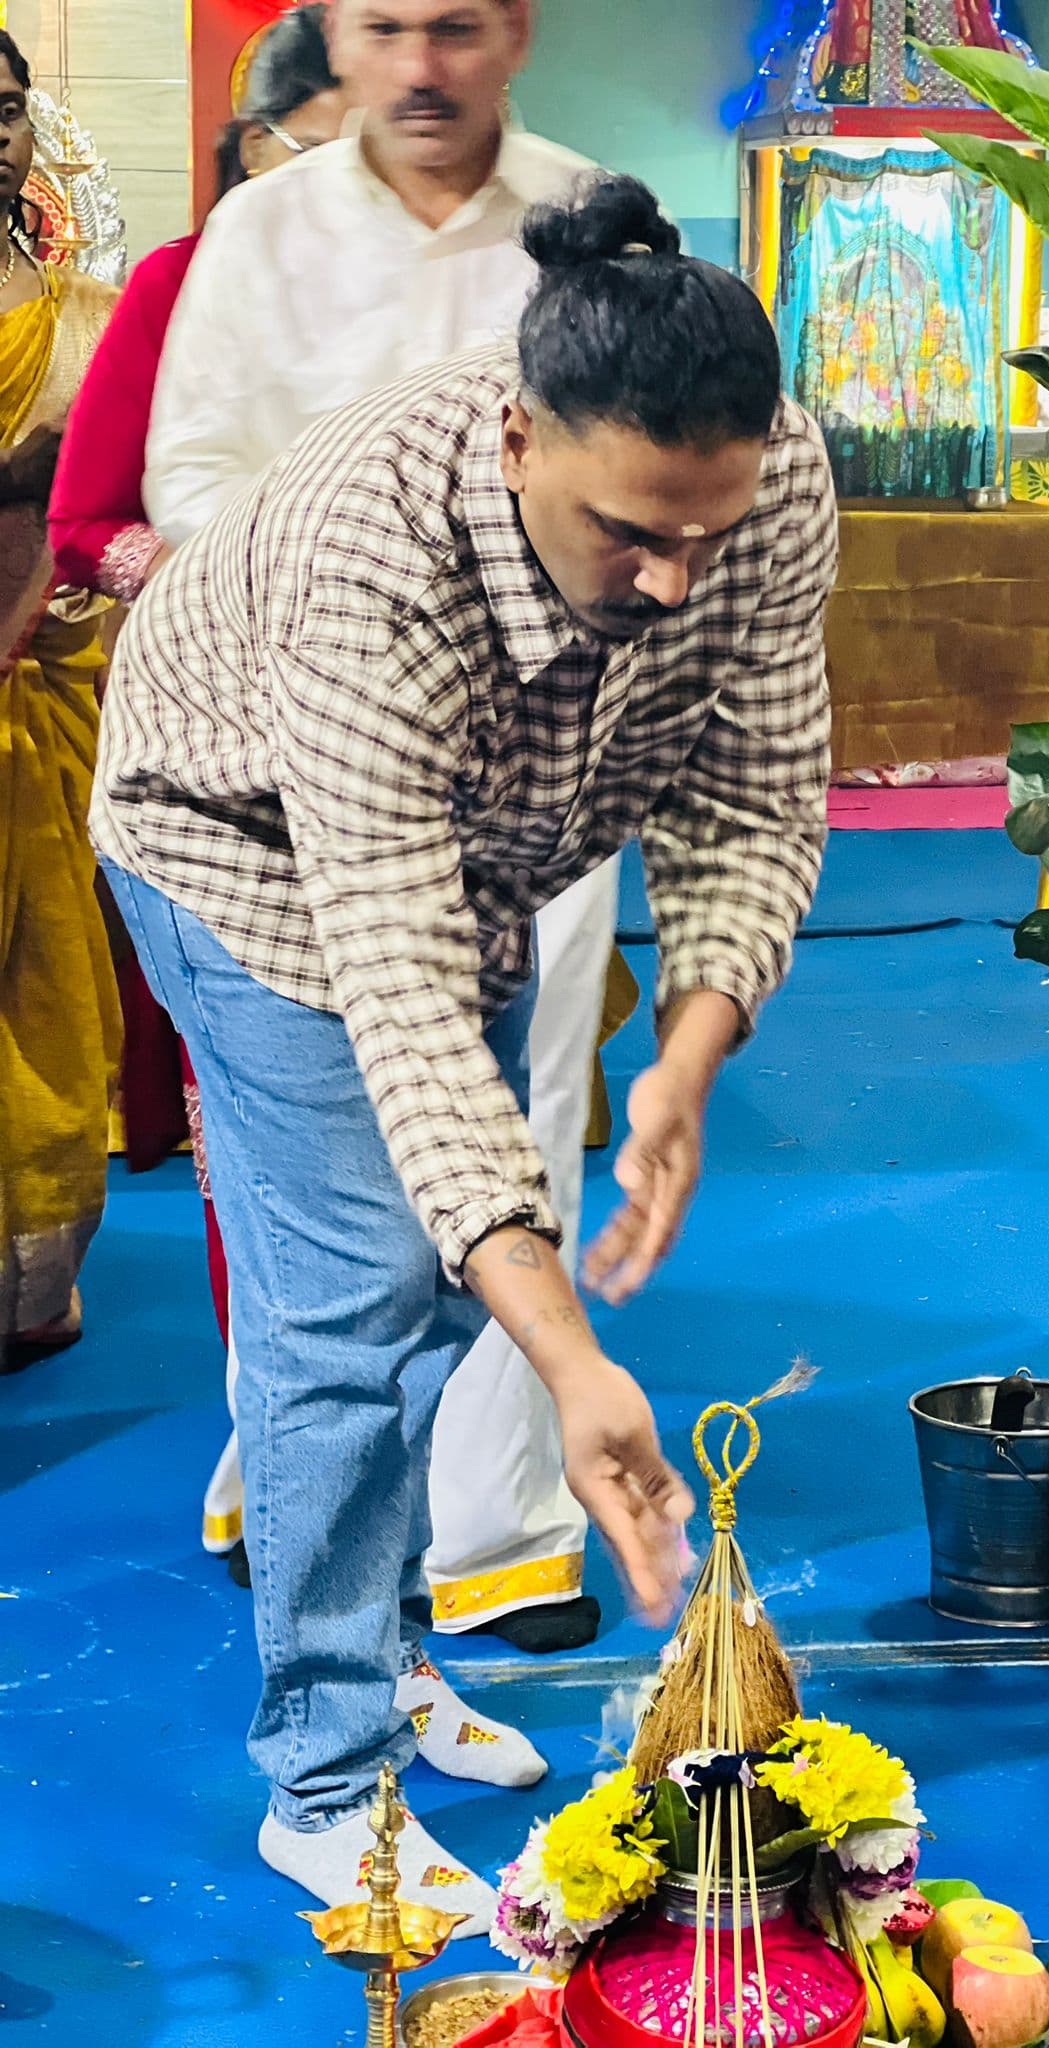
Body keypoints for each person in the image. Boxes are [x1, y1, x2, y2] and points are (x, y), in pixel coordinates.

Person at [93, 173, 835, 1930]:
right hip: (245, 848)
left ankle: (388, 1642)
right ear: (518, 439)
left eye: (707, 534)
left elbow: (758, 774)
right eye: (631, 537)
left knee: (438, 1289)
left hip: (489, 863)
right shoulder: (380, 548)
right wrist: (577, 1366)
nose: (677, 578)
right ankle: (325, 1781)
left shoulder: (768, 473)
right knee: (347, 1298)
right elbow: (404, 996)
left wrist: (689, 1053)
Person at [142, 0, 616, 1651]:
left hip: (549, 755)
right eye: (389, 28)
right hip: (307, 770)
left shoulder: (590, 217)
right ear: (334, 43)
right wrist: (354, 585)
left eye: (458, 28)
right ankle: (299, 1486)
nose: (422, 67)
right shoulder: (260, 236)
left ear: (518, 37)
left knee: (525, 1114)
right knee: (310, 1172)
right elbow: (187, 473)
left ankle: (496, 1526)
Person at [47, 2, 347, 1575]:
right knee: (265, 1139)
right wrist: (234, 572)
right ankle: (269, 1438)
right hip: (234, 779)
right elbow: (89, 523)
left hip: (441, 795)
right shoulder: (175, 291)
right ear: (260, 149)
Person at [0, 31, 121, 1372]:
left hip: (64, 691)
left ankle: (33, 1284)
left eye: (9, 108)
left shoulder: (88, 314)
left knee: (51, 996)